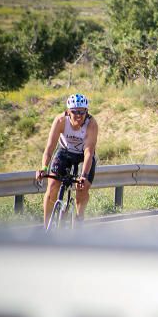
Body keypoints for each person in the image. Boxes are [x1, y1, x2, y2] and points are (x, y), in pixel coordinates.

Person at [36, 93, 99, 227]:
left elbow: (89, 153)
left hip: (83, 156)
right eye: (75, 112)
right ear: (68, 112)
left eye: (82, 112)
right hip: (65, 152)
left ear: (86, 112)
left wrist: (84, 176)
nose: (78, 115)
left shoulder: (91, 124)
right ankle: (46, 227)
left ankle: (79, 218)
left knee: (82, 187)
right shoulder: (60, 121)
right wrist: (44, 168)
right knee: (52, 186)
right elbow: (49, 148)